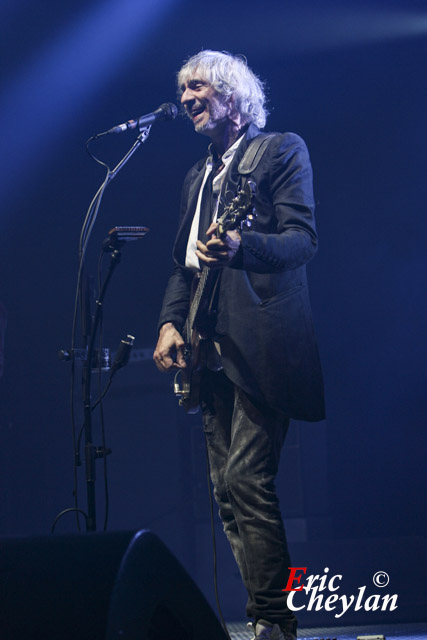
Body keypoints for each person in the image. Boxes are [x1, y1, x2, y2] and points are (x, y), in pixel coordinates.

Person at [153, 50, 325, 640]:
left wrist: (242, 247)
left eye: (196, 86)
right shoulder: (197, 177)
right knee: (227, 491)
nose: (185, 99)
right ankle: (261, 619)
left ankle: (275, 623)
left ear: (230, 93)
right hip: (206, 348)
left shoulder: (279, 151)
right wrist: (169, 323)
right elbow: (182, 264)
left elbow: (301, 240)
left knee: (249, 479)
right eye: (181, 91)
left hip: (262, 345)